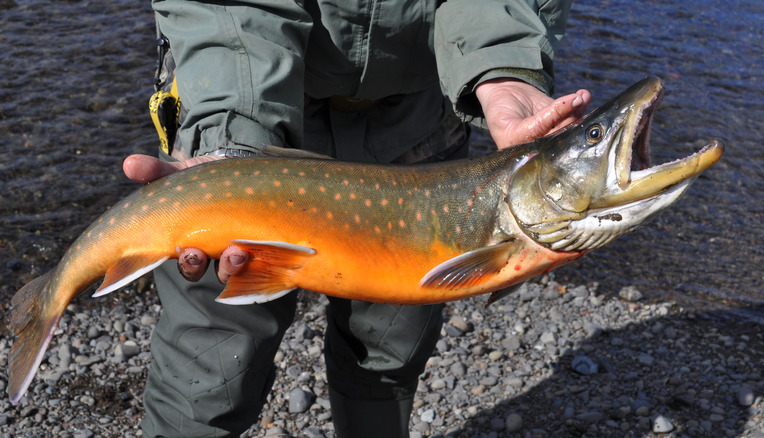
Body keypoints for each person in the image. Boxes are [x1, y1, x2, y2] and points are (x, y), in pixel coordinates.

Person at [123, 0, 591, 436]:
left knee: (388, 352)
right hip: (237, 95)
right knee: (210, 361)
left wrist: (503, 66)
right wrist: (232, 138)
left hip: (419, 116)